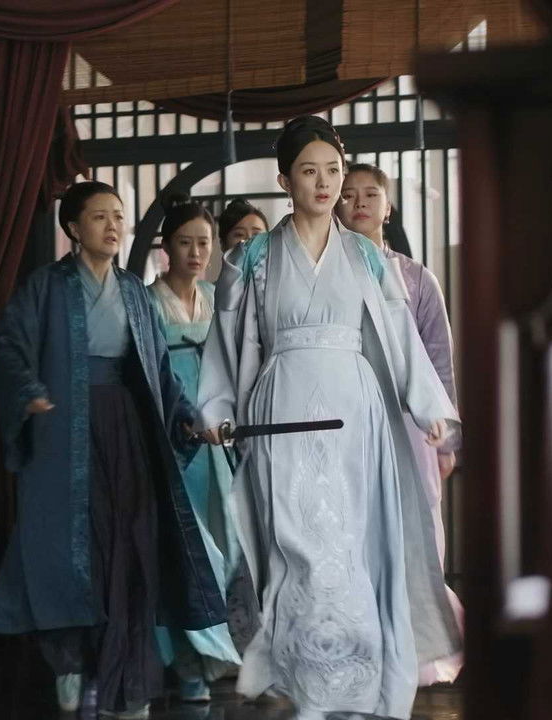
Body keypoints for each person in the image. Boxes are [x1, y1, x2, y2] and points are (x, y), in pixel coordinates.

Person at [196, 116, 462, 720]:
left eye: (333, 171)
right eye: (309, 171)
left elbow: (399, 334)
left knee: (351, 547)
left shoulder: (365, 255)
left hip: (355, 414)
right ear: (285, 181)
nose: (324, 183)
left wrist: (428, 406)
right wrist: (216, 407)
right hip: (282, 406)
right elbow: (226, 339)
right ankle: (312, 689)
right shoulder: (251, 257)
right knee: (298, 547)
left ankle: (356, 686)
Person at [0, 181, 226, 719]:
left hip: (127, 426)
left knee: (132, 544)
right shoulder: (46, 286)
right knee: (69, 546)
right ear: (73, 228)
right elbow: (6, 344)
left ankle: (126, 681)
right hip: (65, 427)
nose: (113, 226)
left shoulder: (135, 292)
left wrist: (189, 417)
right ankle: (70, 661)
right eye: (99, 217)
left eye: (118, 216)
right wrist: (28, 391)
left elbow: (160, 371)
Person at [338, 162, 464, 685]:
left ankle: (417, 648)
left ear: (388, 206)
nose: (359, 203)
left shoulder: (416, 278)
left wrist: (447, 436)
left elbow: (438, 360)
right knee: (352, 531)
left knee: (418, 531)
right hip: (345, 420)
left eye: (370, 194)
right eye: (349, 194)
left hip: (410, 424)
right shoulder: (324, 273)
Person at [146, 193, 242, 702]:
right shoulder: (147, 301)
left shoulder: (216, 298)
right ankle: (184, 662)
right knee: (184, 545)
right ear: (166, 247)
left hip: (216, 438)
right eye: (185, 243)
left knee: (227, 540)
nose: (196, 253)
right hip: (173, 437)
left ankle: (212, 656)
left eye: (204, 243)